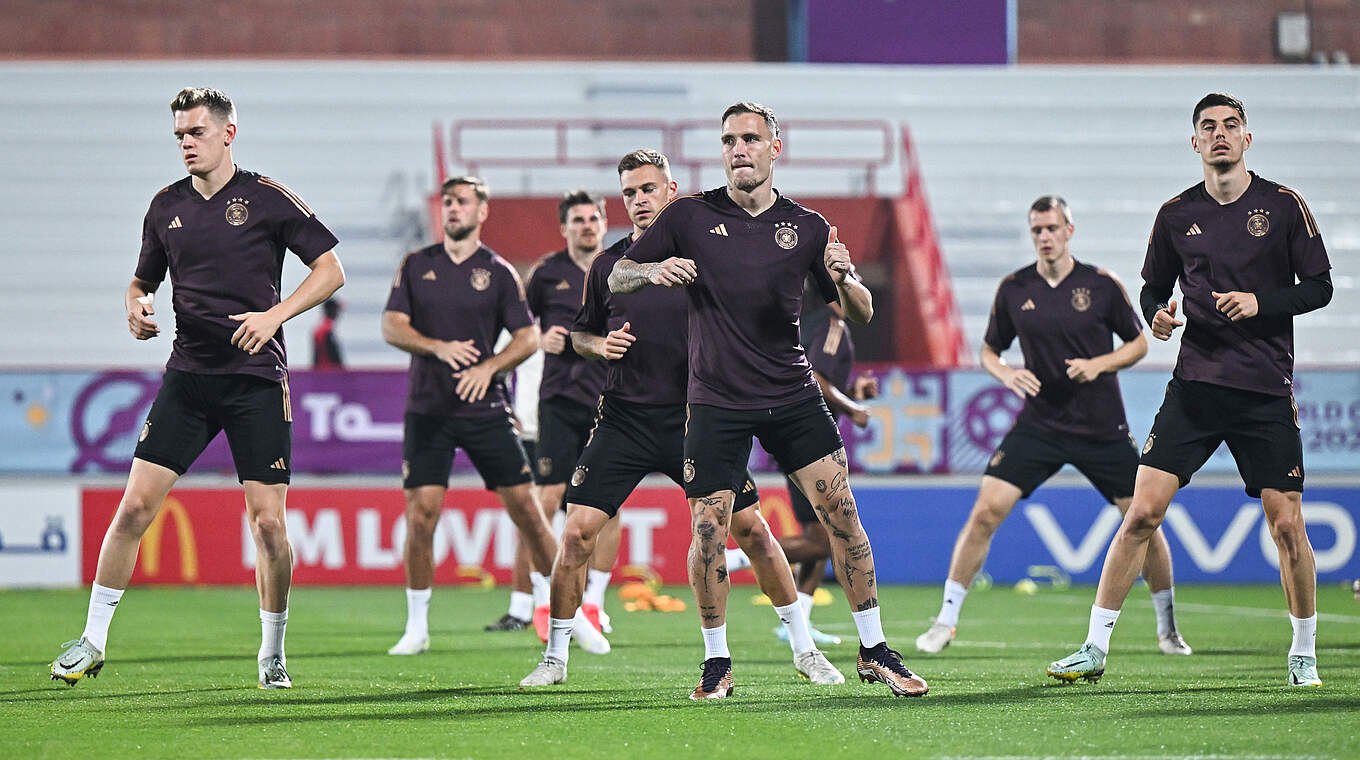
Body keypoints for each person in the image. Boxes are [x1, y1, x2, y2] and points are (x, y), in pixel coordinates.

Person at [610, 103, 928, 698]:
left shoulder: (806, 227)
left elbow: (860, 311)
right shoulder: (688, 217)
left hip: (792, 393)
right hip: (714, 399)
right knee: (708, 531)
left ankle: (874, 647)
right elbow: (617, 276)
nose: (738, 149)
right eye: (728, 139)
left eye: (750, 138)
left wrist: (844, 276)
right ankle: (716, 660)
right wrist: (653, 274)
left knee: (844, 517)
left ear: (775, 147)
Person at [50, 87, 345, 689]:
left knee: (267, 525)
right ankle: (91, 640)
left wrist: (274, 316)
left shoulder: (267, 199)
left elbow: (331, 270)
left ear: (228, 134)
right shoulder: (164, 207)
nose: (186, 143)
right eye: (180, 135)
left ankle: (272, 651)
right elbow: (140, 281)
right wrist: (136, 308)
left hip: (256, 380)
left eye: (196, 133)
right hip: (189, 376)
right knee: (133, 506)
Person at [520, 150, 842, 689]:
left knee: (754, 535)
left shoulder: (711, 256)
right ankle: (555, 657)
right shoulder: (609, 266)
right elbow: (579, 334)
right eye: (629, 193)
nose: (639, 201)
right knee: (575, 534)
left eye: (648, 190)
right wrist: (599, 346)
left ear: (672, 191)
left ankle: (805, 649)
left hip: (697, 417)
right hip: (623, 418)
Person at [1048, 93, 1333, 687]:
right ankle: (1094, 646)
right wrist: (1158, 317)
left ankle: (1303, 649)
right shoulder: (1176, 214)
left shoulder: (1283, 206)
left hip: (1263, 390)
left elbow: (1321, 287)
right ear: (1195, 143)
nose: (1221, 134)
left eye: (1231, 125)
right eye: (1209, 127)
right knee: (1142, 512)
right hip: (1195, 385)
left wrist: (1263, 303)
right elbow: (1153, 288)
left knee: (1286, 524)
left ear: (1247, 139)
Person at [914, 195, 1190, 656]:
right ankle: (945, 620)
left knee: (1143, 520)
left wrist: (1099, 364)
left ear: (1069, 231)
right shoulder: (1014, 288)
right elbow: (988, 351)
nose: (1044, 237)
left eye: (1051, 228)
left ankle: (1167, 627)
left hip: (1101, 426)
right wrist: (1006, 373)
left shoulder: (1101, 285)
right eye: (1037, 230)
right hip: (1039, 423)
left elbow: (1139, 344)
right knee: (985, 511)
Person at [380, 176, 559, 656]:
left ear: (482, 211)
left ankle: (566, 613)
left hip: (485, 410)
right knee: (422, 516)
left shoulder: (498, 273)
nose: (452, 209)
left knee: (528, 511)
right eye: (447, 202)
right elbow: (392, 325)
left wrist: (490, 368)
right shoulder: (417, 265)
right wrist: (436, 346)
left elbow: (526, 337)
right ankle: (417, 626)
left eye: (461, 202)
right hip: (428, 409)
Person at [726, 298, 880, 647]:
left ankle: (800, 620)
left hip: (798, 439)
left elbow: (809, 378)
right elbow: (816, 377)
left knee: (825, 537)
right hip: (808, 446)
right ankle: (739, 557)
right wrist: (853, 405)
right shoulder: (832, 325)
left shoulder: (808, 321)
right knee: (825, 538)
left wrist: (853, 390)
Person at [521, 191, 621, 641]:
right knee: (545, 499)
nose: (586, 225)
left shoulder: (622, 267)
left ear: (603, 222)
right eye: (577, 219)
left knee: (608, 505)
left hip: (611, 400)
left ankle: (595, 603)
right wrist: (539, 337)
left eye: (593, 217)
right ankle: (543, 600)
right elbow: (516, 326)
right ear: (564, 227)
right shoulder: (545, 274)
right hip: (559, 399)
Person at [311, 298, 344, 369]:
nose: (338, 313)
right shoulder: (327, 329)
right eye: (336, 310)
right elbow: (334, 355)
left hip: (321, 371)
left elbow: (315, 357)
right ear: (331, 310)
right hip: (330, 371)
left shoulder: (319, 329)